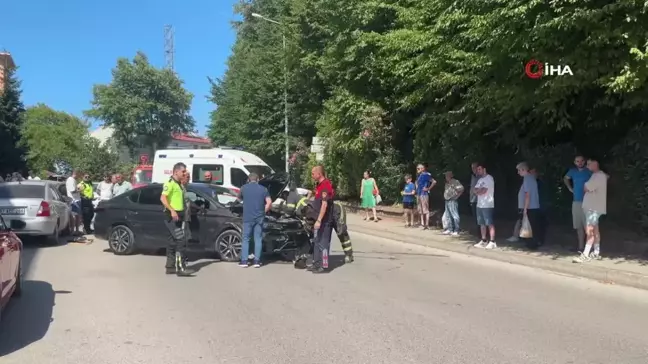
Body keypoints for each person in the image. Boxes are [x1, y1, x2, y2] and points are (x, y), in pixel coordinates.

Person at [160, 162, 195, 276]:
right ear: (176, 171)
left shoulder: (179, 184)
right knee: (180, 240)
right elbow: (163, 198)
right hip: (171, 216)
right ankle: (181, 268)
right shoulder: (169, 183)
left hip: (178, 215)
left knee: (172, 241)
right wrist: (172, 210)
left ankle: (169, 267)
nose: (185, 173)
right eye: (183, 171)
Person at [573, 158, 608, 263]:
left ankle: (585, 254)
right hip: (593, 207)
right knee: (595, 230)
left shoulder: (598, 176)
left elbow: (586, 188)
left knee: (589, 231)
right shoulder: (597, 175)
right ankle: (596, 252)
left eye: (589, 163)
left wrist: (585, 185)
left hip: (593, 208)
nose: (587, 165)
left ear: (595, 164)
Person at [238, 173, 271, 268]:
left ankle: (244, 261)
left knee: (246, 239)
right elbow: (269, 203)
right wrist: (263, 212)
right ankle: (257, 261)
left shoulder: (243, 188)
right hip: (259, 218)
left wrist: (245, 203)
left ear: (248, 179)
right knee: (258, 239)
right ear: (258, 179)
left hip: (247, 217)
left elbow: (238, 199)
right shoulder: (264, 189)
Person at [563, 155, 592, 252]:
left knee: (588, 226)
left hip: (587, 201)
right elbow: (565, 178)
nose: (580, 163)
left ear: (584, 161)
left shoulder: (589, 171)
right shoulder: (572, 171)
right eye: (577, 161)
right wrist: (570, 188)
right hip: (576, 201)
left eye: (581, 161)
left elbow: (601, 178)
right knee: (578, 226)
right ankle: (580, 247)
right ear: (575, 162)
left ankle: (589, 248)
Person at [309, 165, 334, 273]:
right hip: (318, 220)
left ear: (319, 174)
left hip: (324, 221)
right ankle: (316, 263)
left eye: (313, 173)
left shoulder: (325, 185)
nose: (312, 175)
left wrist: (319, 220)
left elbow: (324, 205)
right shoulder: (319, 185)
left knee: (323, 243)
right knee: (316, 241)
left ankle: (323, 266)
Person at [516, 162, 544, 249]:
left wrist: (525, 208)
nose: (518, 172)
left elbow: (528, 194)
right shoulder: (531, 178)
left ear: (524, 170)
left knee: (529, 225)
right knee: (532, 225)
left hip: (530, 206)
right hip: (533, 206)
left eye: (519, 170)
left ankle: (531, 244)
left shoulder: (527, 178)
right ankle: (533, 243)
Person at [473, 163, 496, 249]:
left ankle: (492, 241)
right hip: (480, 204)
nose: (478, 171)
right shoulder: (479, 180)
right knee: (481, 223)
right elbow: (474, 190)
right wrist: (478, 190)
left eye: (479, 169)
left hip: (487, 204)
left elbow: (484, 191)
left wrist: (478, 191)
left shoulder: (489, 178)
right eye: (477, 169)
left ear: (484, 169)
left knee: (489, 223)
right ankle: (483, 240)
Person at [442, 171, 464, 236]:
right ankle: (450, 229)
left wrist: (457, 196)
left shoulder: (455, 181)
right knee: (448, 216)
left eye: (447, 175)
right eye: (445, 176)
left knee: (455, 215)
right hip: (447, 200)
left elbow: (462, 189)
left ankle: (456, 230)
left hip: (452, 200)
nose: (446, 177)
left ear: (450, 176)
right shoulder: (447, 183)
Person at [415, 163, 436, 229]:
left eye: (418, 168)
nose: (417, 170)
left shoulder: (426, 175)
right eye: (417, 168)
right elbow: (417, 184)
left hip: (424, 194)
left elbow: (434, 181)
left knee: (425, 209)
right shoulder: (419, 176)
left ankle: (427, 224)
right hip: (419, 194)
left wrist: (428, 188)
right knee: (420, 209)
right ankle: (422, 223)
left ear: (422, 169)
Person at [65, 170, 83, 235]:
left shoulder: (73, 180)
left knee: (77, 216)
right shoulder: (71, 180)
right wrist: (80, 190)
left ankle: (77, 230)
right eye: (78, 174)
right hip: (74, 200)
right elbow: (72, 191)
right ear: (75, 174)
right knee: (74, 216)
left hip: (76, 199)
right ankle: (73, 231)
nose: (78, 176)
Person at [469, 162, 479, 227]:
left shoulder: (481, 177)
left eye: (474, 167)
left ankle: (482, 233)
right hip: (473, 199)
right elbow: (471, 188)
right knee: (475, 217)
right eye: (472, 168)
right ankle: (478, 232)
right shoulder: (472, 176)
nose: (473, 169)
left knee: (480, 217)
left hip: (479, 200)